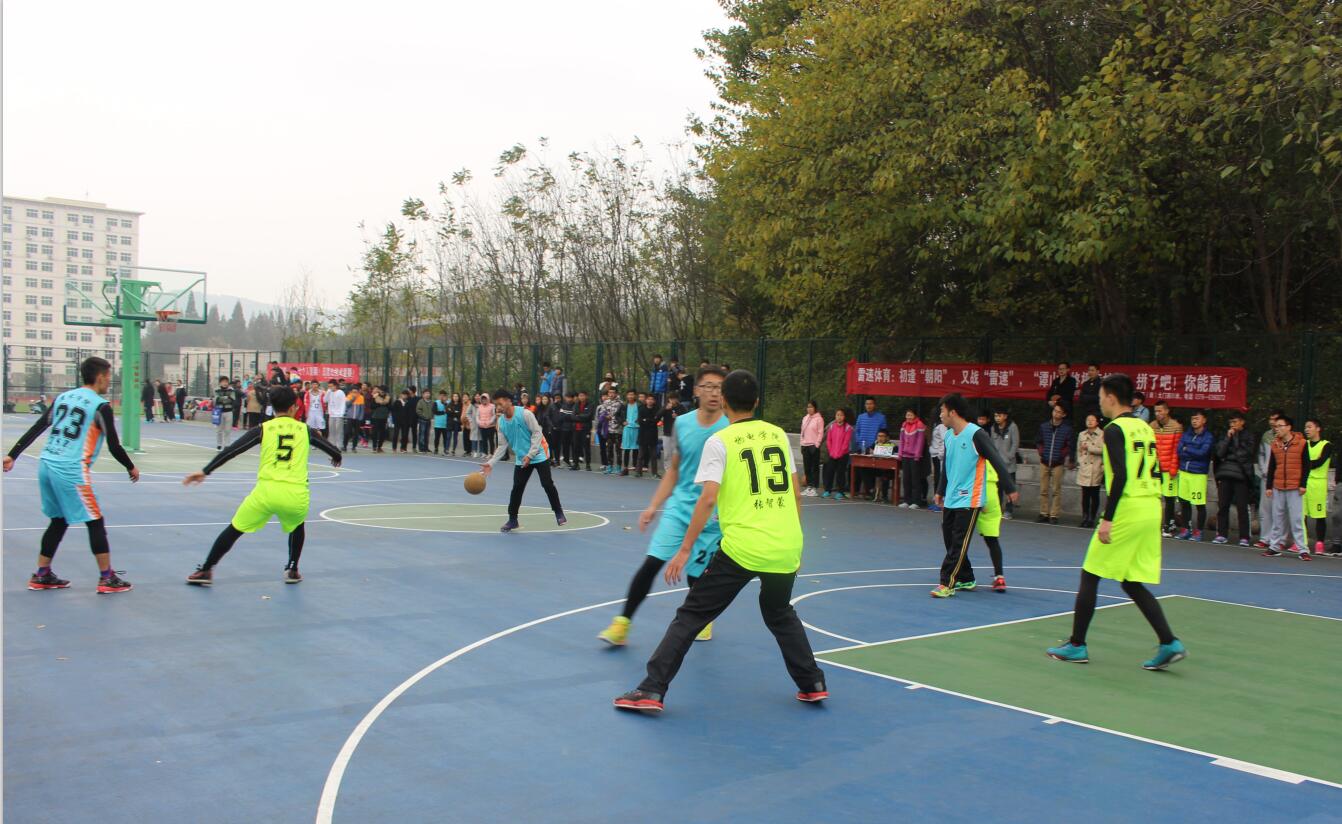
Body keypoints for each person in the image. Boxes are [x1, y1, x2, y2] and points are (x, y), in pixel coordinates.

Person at [613, 369, 827, 713]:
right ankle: (812, 682)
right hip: (785, 544)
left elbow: (708, 498)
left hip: (743, 547)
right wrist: (796, 541)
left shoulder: (721, 441)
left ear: (724, 401)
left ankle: (652, 688)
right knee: (779, 611)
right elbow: (795, 492)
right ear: (757, 401)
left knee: (691, 614)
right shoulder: (776, 434)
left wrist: (685, 549)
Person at [1046, 373, 1187, 670]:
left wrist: (1108, 518)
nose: (1099, 403)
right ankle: (1169, 642)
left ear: (1110, 397)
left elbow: (1121, 475)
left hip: (1128, 508)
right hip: (1151, 506)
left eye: (1100, 397)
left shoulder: (1114, 430)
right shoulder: (1145, 427)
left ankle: (1077, 645)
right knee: (1131, 581)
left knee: (1090, 574)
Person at [599, 366, 730, 647]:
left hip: (711, 514)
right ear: (696, 391)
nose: (714, 393)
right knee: (652, 563)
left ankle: (702, 618)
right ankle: (622, 624)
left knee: (696, 574)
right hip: (679, 508)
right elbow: (674, 470)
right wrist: (653, 506)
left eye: (719, 388)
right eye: (708, 386)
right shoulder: (682, 424)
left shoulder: (730, 429)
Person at [4, 357, 139, 594]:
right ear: (100, 377)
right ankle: (107, 578)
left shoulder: (63, 398)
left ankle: (42, 574)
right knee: (95, 520)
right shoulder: (100, 406)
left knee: (59, 519)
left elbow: (38, 426)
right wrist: (130, 467)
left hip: (46, 464)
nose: (109, 381)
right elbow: (114, 445)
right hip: (70, 469)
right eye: (108, 376)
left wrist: (12, 455)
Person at [182, 386, 342, 585]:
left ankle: (206, 570)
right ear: (294, 407)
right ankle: (292, 569)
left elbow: (231, 451)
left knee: (234, 529)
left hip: (265, 492)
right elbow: (334, 451)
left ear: (272, 407)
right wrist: (336, 456)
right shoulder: (305, 430)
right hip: (295, 492)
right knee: (297, 525)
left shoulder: (264, 429)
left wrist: (205, 471)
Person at [929, 393, 1019, 598]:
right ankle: (966, 577)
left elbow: (996, 460)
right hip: (952, 496)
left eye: (942, 410)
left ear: (952, 412)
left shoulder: (976, 434)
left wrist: (1009, 487)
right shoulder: (949, 435)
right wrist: (940, 490)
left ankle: (947, 583)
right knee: (949, 539)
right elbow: (947, 467)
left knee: (959, 542)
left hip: (970, 497)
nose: (940, 415)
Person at [479, 389, 566, 533]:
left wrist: (530, 455)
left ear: (508, 401)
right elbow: (502, 446)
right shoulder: (501, 422)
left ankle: (558, 511)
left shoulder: (525, 414)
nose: (498, 407)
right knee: (517, 488)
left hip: (539, 453)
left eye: (500, 404)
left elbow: (537, 433)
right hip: (522, 457)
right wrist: (491, 463)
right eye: (496, 405)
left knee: (547, 483)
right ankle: (513, 520)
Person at [1261, 415, 1311, 560]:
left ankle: (1303, 549)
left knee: (1296, 519)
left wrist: (1303, 484)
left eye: (1280, 426)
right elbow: (1272, 466)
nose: (1277, 429)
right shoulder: (1275, 444)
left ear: (1289, 427)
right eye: (1276, 426)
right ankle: (1274, 546)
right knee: (1277, 518)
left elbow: (1306, 465)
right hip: (1278, 486)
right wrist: (1269, 486)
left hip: (1295, 486)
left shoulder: (1301, 443)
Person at [1213, 411, 1255, 546]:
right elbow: (1219, 453)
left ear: (1242, 422)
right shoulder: (1225, 435)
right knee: (1223, 505)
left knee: (1242, 507)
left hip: (1241, 473)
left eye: (1235, 422)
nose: (1232, 425)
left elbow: (1245, 454)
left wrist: (1236, 438)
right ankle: (1221, 534)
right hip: (1225, 472)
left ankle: (1244, 536)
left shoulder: (1248, 436)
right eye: (1230, 422)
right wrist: (1228, 438)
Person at [1174, 410, 1214, 541]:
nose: (1194, 421)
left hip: (1198, 474)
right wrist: (1191, 451)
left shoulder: (1208, 436)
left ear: (1204, 420)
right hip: (1184, 472)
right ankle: (1185, 528)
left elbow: (1203, 453)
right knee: (1184, 502)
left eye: (1197, 418)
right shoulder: (1186, 434)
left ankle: (1199, 531)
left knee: (1199, 504)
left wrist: (1187, 449)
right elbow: (1179, 450)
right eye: (1192, 419)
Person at [1150, 400, 1184, 536]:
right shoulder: (1151, 426)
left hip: (1169, 468)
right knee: (1154, 497)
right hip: (1154, 468)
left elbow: (1177, 450)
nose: (1157, 414)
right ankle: (1153, 524)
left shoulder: (1176, 426)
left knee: (1169, 498)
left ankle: (1169, 525)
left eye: (1160, 411)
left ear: (1167, 411)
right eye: (1155, 411)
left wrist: (1173, 469)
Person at [1036, 404, 1074, 524]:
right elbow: (1038, 442)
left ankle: (1054, 515)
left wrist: (1062, 455)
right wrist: (1042, 452)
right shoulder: (1044, 426)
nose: (1056, 413)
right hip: (1044, 461)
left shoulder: (1067, 429)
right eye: (1055, 411)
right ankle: (1043, 512)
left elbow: (1069, 445)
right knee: (1043, 489)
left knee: (1056, 490)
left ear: (1064, 414)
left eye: (1059, 412)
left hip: (1058, 463)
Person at [1252, 410, 1283, 548]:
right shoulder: (1266, 436)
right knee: (1265, 509)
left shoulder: (1288, 436)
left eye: (1275, 419)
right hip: (1266, 477)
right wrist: (1264, 469)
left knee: (1280, 509)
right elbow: (1261, 454)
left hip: (1282, 478)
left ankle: (1280, 540)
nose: (1272, 422)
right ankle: (1265, 538)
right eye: (1270, 419)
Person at [1303, 419, 1333, 555]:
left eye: (1309, 427)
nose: (1307, 429)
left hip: (1318, 483)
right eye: (1305, 427)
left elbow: (1319, 462)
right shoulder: (1304, 444)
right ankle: (1302, 542)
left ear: (1318, 428)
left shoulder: (1326, 445)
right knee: (1301, 514)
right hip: (1304, 482)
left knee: (1319, 515)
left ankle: (1320, 543)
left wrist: (1305, 463)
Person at [989, 409, 1020, 519]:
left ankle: (1008, 510)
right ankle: (997, 509)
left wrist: (1009, 456)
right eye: (995, 416)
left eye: (999, 415)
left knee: (1009, 488)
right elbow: (991, 444)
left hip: (1009, 465)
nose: (997, 418)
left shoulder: (1012, 427)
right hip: (997, 464)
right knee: (997, 489)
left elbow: (1015, 443)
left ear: (1005, 416)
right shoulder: (993, 428)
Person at [1077, 413, 1105, 529]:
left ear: (1097, 422)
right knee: (1085, 494)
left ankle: (1092, 518)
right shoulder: (1081, 434)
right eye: (1088, 419)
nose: (1089, 421)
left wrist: (1089, 448)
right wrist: (1080, 461)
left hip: (1096, 467)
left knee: (1094, 494)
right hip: (1085, 467)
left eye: (1092, 420)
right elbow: (1079, 450)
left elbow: (1104, 450)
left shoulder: (1102, 434)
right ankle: (1084, 517)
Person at [897, 409, 927, 508]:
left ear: (915, 416)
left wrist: (917, 454)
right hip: (905, 456)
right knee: (906, 479)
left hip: (915, 457)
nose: (908, 417)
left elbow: (920, 441)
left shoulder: (920, 425)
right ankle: (907, 500)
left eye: (910, 415)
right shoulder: (904, 425)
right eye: (907, 415)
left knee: (915, 480)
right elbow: (901, 440)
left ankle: (916, 502)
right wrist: (900, 453)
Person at [822, 408, 853, 499]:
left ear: (844, 417)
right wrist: (831, 451)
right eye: (837, 415)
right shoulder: (832, 426)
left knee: (840, 473)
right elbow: (829, 440)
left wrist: (840, 453)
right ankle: (827, 490)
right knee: (829, 472)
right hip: (832, 454)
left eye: (841, 415)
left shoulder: (848, 428)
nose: (839, 417)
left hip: (843, 455)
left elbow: (846, 443)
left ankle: (840, 491)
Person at [800, 401, 824, 497]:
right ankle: (809, 486)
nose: (809, 409)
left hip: (813, 446)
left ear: (815, 408)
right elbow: (802, 432)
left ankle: (814, 487)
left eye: (811, 407)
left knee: (814, 467)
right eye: (808, 407)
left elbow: (820, 433)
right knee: (807, 467)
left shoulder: (819, 419)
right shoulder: (805, 418)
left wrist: (817, 445)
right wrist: (802, 443)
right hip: (805, 445)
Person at [598, 388, 622, 473]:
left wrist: (617, 420)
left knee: (618, 449)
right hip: (608, 429)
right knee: (609, 449)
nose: (611, 394)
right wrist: (605, 416)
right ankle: (609, 467)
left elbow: (622, 415)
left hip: (618, 430)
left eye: (613, 392)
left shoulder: (620, 403)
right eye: (610, 393)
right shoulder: (605, 402)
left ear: (616, 394)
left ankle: (618, 467)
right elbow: (601, 413)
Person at [637, 392, 661, 477]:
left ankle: (655, 473)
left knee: (654, 456)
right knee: (641, 455)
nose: (650, 401)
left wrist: (646, 420)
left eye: (652, 399)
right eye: (648, 399)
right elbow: (640, 421)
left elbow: (656, 421)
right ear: (646, 400)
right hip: (643, 434)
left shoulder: (657, 409)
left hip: (653, 434)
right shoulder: (641, 408)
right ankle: (638, 472)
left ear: (654, 401)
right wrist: (649, 420)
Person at [618, 389, 640, 476]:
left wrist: (639, 421)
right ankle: (625, 468)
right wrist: (622, 421)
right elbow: (617, 415)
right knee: (626, 449)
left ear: (635, 396)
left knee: (636, 449)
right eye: (629, 394)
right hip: (627, 429)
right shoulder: (624, 405)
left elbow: (643, 414)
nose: (630, 396)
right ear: (627, 396)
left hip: (637, 429)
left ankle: (636, 467)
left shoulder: (639, 405)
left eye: (632, 394)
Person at [927, 416, 946, 512]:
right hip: (935, 454)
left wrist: (940, 454)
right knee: (936, 478)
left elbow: (944, 440)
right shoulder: (935, 425)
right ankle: (936, 501)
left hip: (939, 456)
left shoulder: (942, 426)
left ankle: (940, 503)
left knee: (939, 479)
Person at [572, 390, 594, 470]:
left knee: (586, 447)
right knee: (576, 447)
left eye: (583, 395)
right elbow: (573, 416)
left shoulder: (590, 405)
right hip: (576, 429)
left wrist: (578, 416)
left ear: (586, 396)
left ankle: (588, 465)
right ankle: (576, 464)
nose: (581, 397)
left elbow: (588, 416)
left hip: (585, 429)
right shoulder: (576, 405)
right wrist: (580, 417)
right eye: (580, 396)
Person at [213, 375, 236, 450]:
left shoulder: (231, 390)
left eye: (226, 382)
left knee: (228, 429)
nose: (225, 383)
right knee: (219, 430)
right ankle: (219, 444)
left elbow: (232, 399)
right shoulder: (216, 390)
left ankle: (227, 444)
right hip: (219, 411)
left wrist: (223, 399)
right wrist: (226, 398)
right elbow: (216, 400)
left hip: (229, 411)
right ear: (220, 383)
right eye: (223, 382)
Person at [325, 379, 347, 452]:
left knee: (339, 431)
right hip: (331, 415)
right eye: (329, 386)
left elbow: (343, 403)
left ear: (335, 386)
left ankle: (339, 446)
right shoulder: (329, 392)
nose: (330, 388)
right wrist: (328, 392)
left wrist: (342, 413)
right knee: (331, 431)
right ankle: (332, 445)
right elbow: (325, 400)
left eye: (331, 386)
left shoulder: (340, 392)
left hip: (339, 415)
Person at [556, 392, 577, 468]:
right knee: (565, 446)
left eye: (570, 397)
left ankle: (575, 462)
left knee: (574, 446)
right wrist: (569, 417)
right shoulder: (563, 406)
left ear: (572, 398)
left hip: (573, 429)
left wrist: (567, 416)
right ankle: (566, 462)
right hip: (564, 429)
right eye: (567, 397)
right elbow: (560, 417)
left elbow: (575, 417)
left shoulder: (575, 406)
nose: (568, 399)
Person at [343, 383, 365, 453]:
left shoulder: (361, 397)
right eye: (353, 392)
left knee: (356, 433)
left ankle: (354, 447)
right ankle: (344, 446)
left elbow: (362, 409)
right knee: (347, 432)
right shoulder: (348, 396)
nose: (355, 393)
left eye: (356, 392)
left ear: (358, 392)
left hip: (357, 418)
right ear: (351, 392)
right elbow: (347, 405)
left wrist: (360, 417)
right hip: (349, 417)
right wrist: (353, 399)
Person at [369, 387, 392, 453]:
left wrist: (386, 404)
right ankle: (374, 447)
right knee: (375, 432)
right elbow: (372, 406)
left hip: (384, 417)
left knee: (382, 433)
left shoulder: (388, 398)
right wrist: (379, 403)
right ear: (379, 390)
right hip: (376, 417)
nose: (382, 392)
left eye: (384, 391)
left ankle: (379, 447)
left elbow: (390, 407)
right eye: (381, 390)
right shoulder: (375, 397)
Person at [476, 389, 497, 457]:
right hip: (482, 426)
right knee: (484, 440)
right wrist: (479, 422)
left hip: (490, 426)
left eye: (485, 399)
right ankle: (485, 453)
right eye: (483, 399)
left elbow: (494, 415)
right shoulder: (479, 407)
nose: (484, 400)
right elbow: (477, 416)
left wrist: (489, 422)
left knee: (491, 440)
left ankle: (491, 453)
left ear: (488, 399)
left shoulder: (492, 406)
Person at [415, 389, 433, 453]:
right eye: (426, 393)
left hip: (429, 420)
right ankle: (421, 448)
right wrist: (423, 416)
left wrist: (431, 416)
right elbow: (418, 410)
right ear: (423, 395)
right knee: (422, 434)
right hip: (422, 420)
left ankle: (426, 447)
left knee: (427, 435)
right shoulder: (420, 402)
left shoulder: (431, 402)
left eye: (428, 393)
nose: (428, 394)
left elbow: (433, 410)